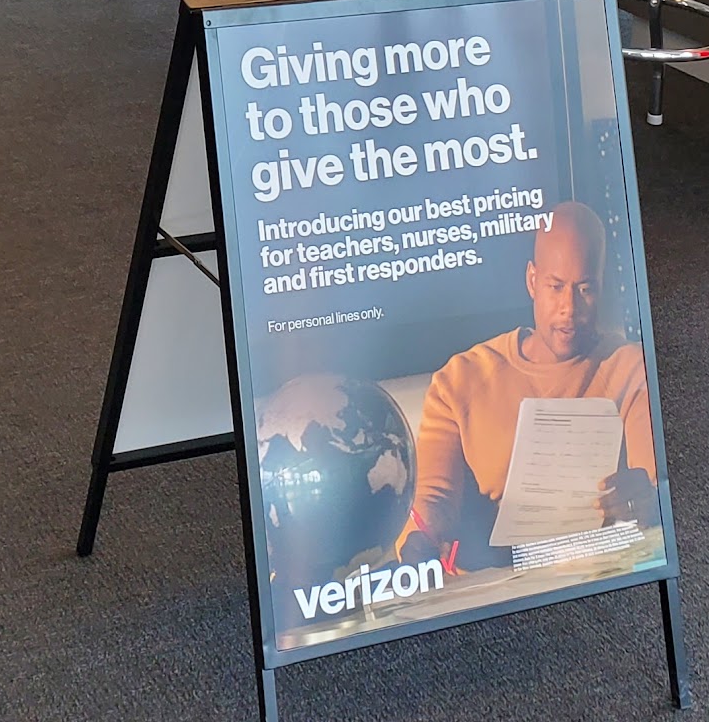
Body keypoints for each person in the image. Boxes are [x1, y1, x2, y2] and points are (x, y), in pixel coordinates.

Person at [256, 201, 656, 577]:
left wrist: (644, 499)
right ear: (532, 280)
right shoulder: (463, 379)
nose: (569, 307)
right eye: (555, 286)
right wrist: (420, 539)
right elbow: (435, 498)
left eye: (585, 288)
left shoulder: (629, 367)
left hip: (603, 568)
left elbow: (655, 485)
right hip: (496, 579)